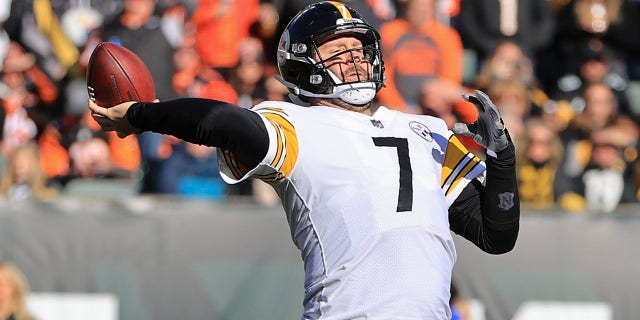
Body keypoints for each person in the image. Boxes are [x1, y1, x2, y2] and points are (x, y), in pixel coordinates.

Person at [88, 2, 520, 318]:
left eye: (358, 48)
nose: (354, 59)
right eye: (338, 50)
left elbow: (495, 234)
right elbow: (221, 122)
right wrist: (143, 114)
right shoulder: (297, 126)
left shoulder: (426, 131)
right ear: (303, 65)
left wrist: (502, 162)